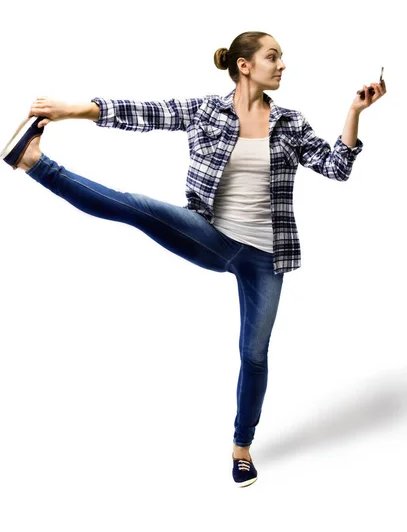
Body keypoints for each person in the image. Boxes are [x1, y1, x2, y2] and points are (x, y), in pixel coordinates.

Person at [0, 31, 386, 487]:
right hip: (213, 237)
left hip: (267, 257)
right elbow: (143, 113)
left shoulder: (290, 123)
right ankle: (35, 162)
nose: (282, 65)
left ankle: (241, 447)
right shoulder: (207, 110)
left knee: (254, 354)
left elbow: (337, 167)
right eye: (273, 57)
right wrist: (73, 110)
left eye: (281, 58)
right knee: (137, 208)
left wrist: (355, 113)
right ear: (245, 65)